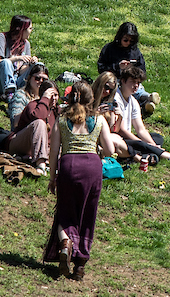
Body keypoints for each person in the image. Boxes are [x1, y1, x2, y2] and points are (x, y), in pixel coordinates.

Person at [44, 80, 116, 281]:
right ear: (91, 99)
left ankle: (65, 243)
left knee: (65, 211)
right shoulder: (99, 120)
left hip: (69, 166)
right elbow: (110, 150)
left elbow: (53, 151)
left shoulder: (61, 119)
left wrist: (52, 177)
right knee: (87, 214)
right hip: (92, 167)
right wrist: (97, 149)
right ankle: (80, 267)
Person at [109, 66, 170, 168]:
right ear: (123, 81)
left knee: (157, 138)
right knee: (142, 145)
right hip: (118, 138)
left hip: (130, 139)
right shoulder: (116, 99)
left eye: (138, 83)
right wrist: (144, 144)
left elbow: (140, 129)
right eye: (132, 82)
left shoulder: (133, 101)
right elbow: (121, 130)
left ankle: (148, 153)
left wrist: (151, 143)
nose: (136, 86)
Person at [96, 21, 159, 113]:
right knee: (119, 92)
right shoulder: (109, 49)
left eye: (131, 41)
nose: (128, 43)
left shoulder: (135, 51)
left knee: (135, 88)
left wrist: (132, 70)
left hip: (130, 81)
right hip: (115, 81)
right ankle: (146, 102)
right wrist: (118, 67)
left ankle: (147, 98)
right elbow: (101, 68)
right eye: (126, 40)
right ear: (120, 37)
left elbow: (142, 71)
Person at [6, 64, 57, 176]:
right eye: (37, 78)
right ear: (29, 78)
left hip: (39, 142)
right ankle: (40, 163)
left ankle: (29, 157)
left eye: (44, 80)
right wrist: (33, 109)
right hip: (20, 137)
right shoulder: (21, 95)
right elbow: (15, 121)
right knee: (39, 123)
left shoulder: (53, 105)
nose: (40, 81)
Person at [0, 15, 40, 100]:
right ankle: (10, 95)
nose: (31, 31)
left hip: (16, 80)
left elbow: (22, 71)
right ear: (21, 30)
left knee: (38, 65)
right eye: (30, 28)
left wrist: (31, 64)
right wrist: (16, 58)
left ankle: (37, 93)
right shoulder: (2, 38)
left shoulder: (26, 43)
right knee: (6, 62)